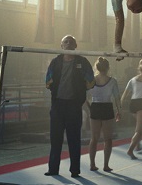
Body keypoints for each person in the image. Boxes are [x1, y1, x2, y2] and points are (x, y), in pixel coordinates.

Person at [44, 35, 95, 178]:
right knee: (56, 139)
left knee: (74, 139)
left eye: (71, 42)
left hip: (74, 105)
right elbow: (47, 80)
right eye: (65, 42)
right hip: (58, 105)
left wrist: (81, 92)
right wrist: (53, 88)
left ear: (75, 45)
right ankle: (53, 169)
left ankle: (75, 170)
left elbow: (91, 80)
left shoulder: (82, 62)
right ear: (61, 45)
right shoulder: (55, 62)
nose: (68, 44)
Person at [87, 56, 121, 172]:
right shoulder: (112, 81)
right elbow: (117, 98)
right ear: (108, 68)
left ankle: (92, 164)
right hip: (107, 107)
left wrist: (88, 108)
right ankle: (106, 165)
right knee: (108, 139)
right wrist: (119, 111)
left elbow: (84, 96)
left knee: (94, 138)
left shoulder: (92, 80)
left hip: (95, 107)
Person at [120, 58, 142, 159]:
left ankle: (138, 145)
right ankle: (130, 150)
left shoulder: (132, 79)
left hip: (133, 104)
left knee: (140, 126)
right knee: (139, 130)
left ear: (139, 69)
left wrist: (120, 107)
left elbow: (124, 95)